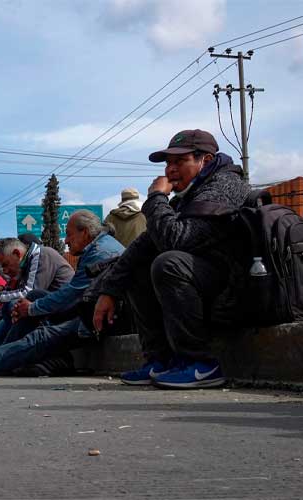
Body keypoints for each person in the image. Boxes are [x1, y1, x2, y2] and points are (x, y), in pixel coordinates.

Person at [93, 129, 249, 389]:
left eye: (179, 162)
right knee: (138, 266)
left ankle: (199, 363)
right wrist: (109, 291)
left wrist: (156, 198)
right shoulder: (190, 194)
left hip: (235, 284)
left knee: (169, 262)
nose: (170, 170)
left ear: (205, 161)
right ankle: (160, 361)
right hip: (203, 278)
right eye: (168, 163)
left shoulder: (224, 186)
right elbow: (142, 246)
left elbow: (177, 240)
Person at [0, 210, 124, 378]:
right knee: (23, 306)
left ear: (85, 232)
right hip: (87, 312)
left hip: (99, 317)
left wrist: (26, 308)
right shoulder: (96, 248)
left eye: (69, 234)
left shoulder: (97, 252)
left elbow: (70, 293)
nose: (65, 241)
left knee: (38, 330)